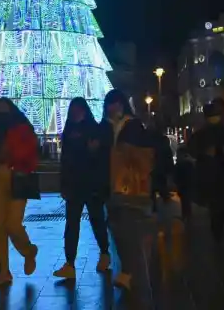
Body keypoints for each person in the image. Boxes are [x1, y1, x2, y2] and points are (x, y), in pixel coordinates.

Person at [0, 97, 39, 286]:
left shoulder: (22, 128)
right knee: (0, 227)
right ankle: (3, 269)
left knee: (13, 224)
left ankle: (28, 251)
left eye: (5, 108)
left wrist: (9, 152)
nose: (2, 112)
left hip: (18, 175)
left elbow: (30, 150)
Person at [53, 97, 112, 280]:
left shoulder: (93, 129)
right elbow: (65, 161)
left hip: (91, 183)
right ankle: (70, 263)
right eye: (73, 109)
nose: (75, 112)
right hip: (74, 184)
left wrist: (94, 152)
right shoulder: (69, 130)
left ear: (84, 111)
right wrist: (64, 184)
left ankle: (104, 253)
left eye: (78, 109)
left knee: (96, 220)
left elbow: (102, 157)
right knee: (72, 224)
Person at [104, 89, 155, 291]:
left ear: (122, 104)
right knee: (116, 226)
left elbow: (136, 151)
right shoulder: (107, 126)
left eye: (115, 103)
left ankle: (129, 271)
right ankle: (130, 269)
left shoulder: (132, 124)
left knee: (126, 227)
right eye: (109, 104)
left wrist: (122, 149)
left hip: (129, 185)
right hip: (113, 184)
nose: (111, 107)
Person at [191, 99, 224, 241]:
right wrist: (204, 153)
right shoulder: (202, 133)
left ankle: (219, 227)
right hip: (211, 174)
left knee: (223, 203)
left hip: (223, 172)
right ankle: (217, 230)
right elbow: (194, 148)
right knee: (216, 205)